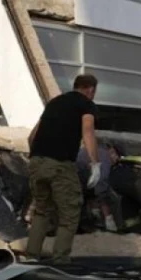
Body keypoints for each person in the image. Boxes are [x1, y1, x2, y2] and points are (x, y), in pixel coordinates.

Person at [26, 74, 100, 262]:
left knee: (42, 210)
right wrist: (95, 163)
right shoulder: (85, 104)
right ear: (90, 90)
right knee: (70, 212)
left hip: (36, 161)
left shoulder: (54, 102)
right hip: (60, 165)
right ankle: (60, 260)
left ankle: (31, 257)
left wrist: (38, 157)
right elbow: (88, 130)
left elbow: (31, 136)